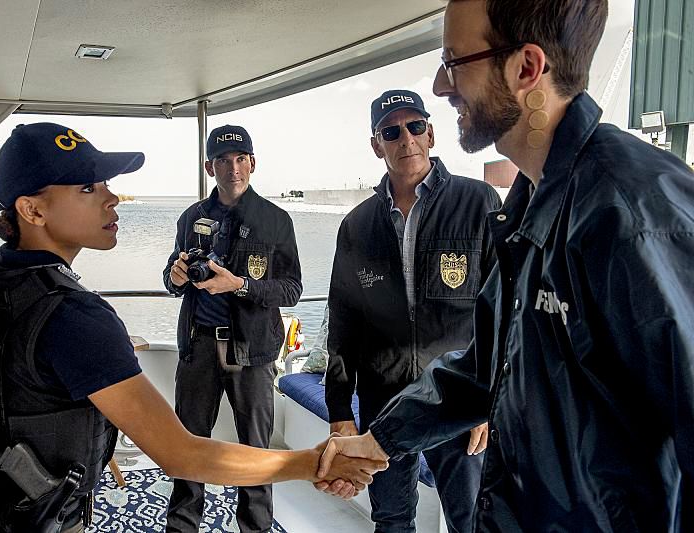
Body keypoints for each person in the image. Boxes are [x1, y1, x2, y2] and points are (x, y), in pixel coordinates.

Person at [317, 0, 694, 530]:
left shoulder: (633, 212)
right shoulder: (529, 206)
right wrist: (378, 439)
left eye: (453, 63)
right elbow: (483, 367)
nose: (442, 87)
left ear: (525, 69)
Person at [0, 122, 385, 533]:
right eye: (88, 187)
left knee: (254, 438)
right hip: (32, 519)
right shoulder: (72, 315)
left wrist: (238, 284)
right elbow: (181, 453)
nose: (112, 197)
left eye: (107, 183)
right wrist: (313, 463)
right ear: (32, 210)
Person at [325, 89, 501, 533]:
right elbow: (344, 324)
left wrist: (488, 404)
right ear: (376, 144)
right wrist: (340, 411)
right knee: (391, 518)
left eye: (415, 126)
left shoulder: (479, 203)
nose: (406, 139)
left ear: (431, 132)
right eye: (391, 131)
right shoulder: (357, 225)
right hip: (384, 398)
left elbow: (504, 312)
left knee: (473, 517)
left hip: (456, 396)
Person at [163, 125, 303, 533]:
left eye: (240, 158)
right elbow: (172, 280)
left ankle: (255, 528)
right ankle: (183, 526)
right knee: (188, 445)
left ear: (253, 163)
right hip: (199, 348)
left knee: (255, 451)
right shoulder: (192, 217)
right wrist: (174, 276)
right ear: (210, 167)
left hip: (253, 351)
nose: (233, 168)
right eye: (223, 160)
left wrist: (239, 284)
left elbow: (292, 289)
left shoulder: (275, 220)